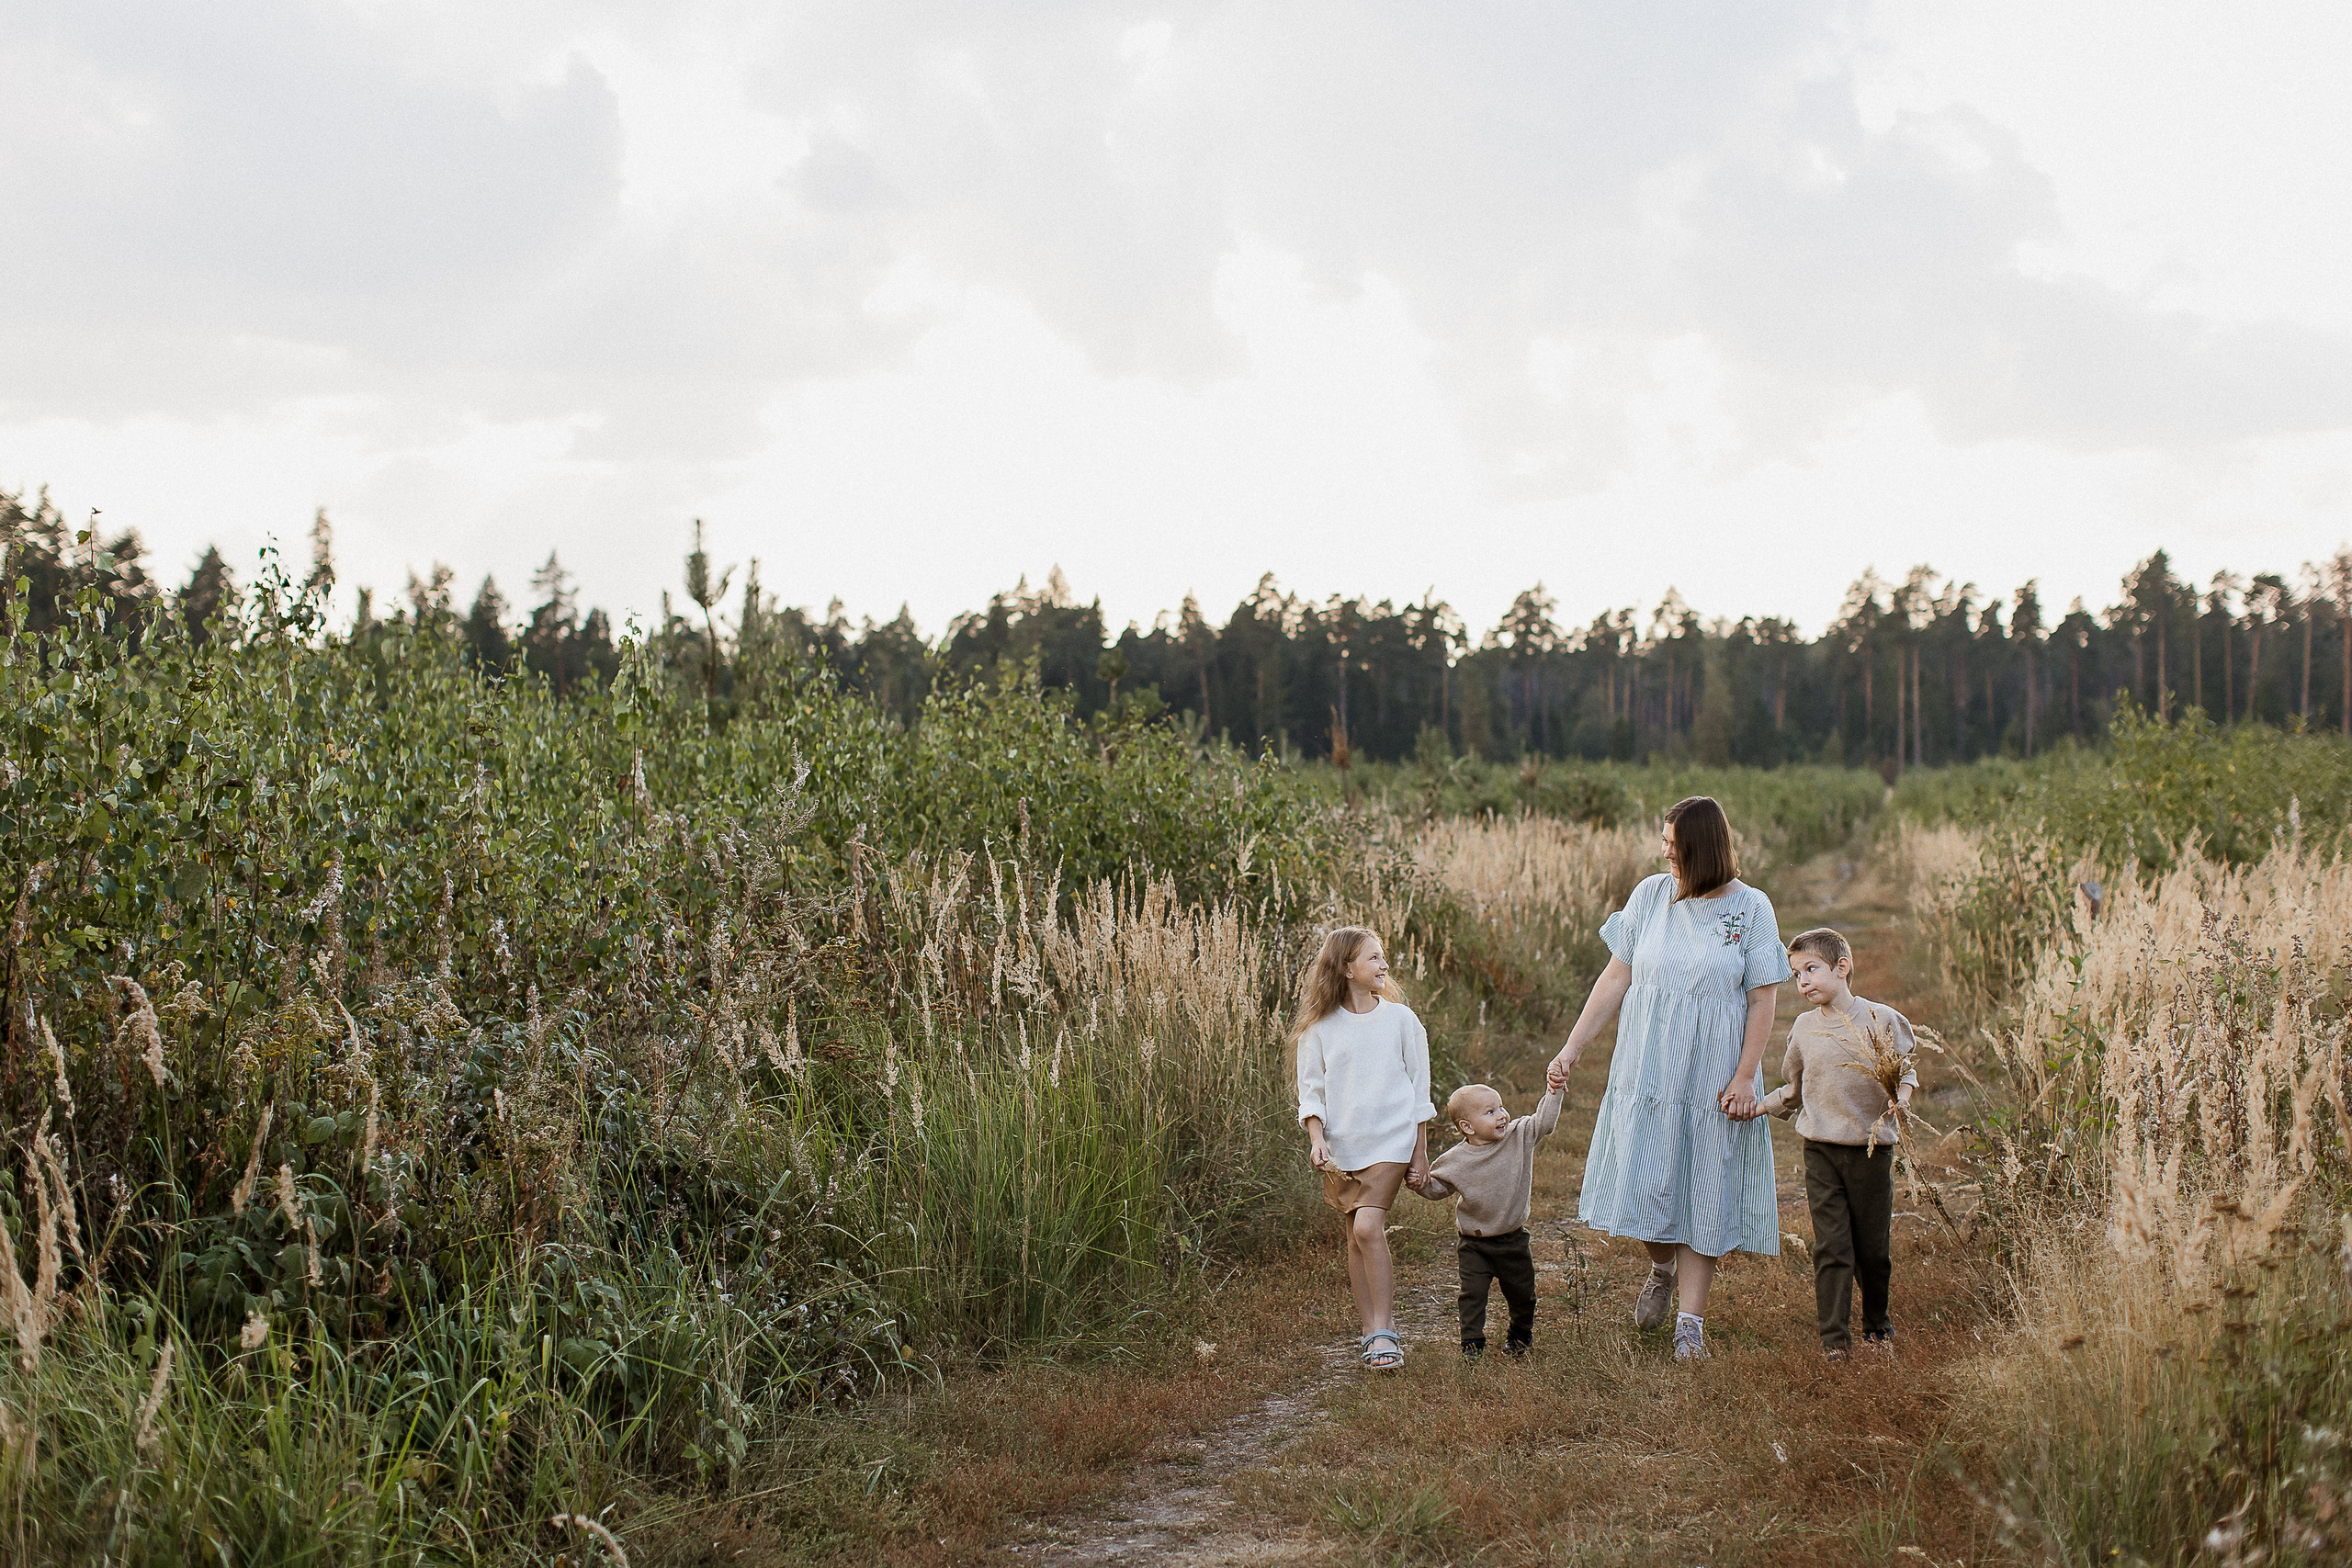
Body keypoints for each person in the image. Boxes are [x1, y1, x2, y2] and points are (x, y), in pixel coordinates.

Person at [1546, 795, 1790, 1362]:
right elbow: (1616, 975)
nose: (1664, 855)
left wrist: (1747, 1076)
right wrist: (1573, 1047)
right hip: (1648, 1063)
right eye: (1663, 845)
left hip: (1713, 1069)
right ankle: (1660, 1266)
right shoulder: (1651, 896)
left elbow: (1763, 999)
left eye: (1674, 848)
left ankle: (1690, 1325)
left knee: (1704, 1185)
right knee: (1651, 1178)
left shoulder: (1752, 909)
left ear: (1702, 852)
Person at [1758, 927, 1917, 1360]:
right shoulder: (1804, 1029)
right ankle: (1835, 1341)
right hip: (1821, 1151)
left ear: (1842, 968)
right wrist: (1758, 1107)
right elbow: (1794, 1089)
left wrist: (1900, 1101)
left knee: (1871, 1248)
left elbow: (1904, 1070)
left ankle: (1877, 1327)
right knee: (1832, 1245)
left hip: (1870, 1150)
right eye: (1796, 974)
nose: (1803, 981)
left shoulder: (1881, 1019)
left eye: (1811, 969)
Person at [1296, 926, 1435, 1371]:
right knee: (1355, 1236)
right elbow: (1311, 1093)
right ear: (1346, 968)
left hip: (1392, 1140)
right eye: (1373, 958)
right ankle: (1369, 1328)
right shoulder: (1319, 1030)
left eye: (1383, 956)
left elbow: (1420, 1092)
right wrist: (1317, 1140)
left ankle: (1385, 1329)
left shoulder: (1401, 1021)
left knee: (1367, 1228)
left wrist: (1419, 1153)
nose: (1384, 965)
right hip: (1343, 1146)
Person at [1409, 1081, 1563, 1359]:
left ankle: (1520, 1334)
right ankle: (1472, 1344)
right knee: (1472, 1295)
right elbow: (1437, 1189)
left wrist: (1555, 1091)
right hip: (1474, 1243)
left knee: (1522, 1294)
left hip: (1512, 1240)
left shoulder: (1518, 1136)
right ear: (1467, 1127)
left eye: (1501, 1107)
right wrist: (1419, 1184)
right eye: (1491, 1112)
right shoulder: (1454, 1160)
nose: (1503, 1115)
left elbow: (1545, 1122)